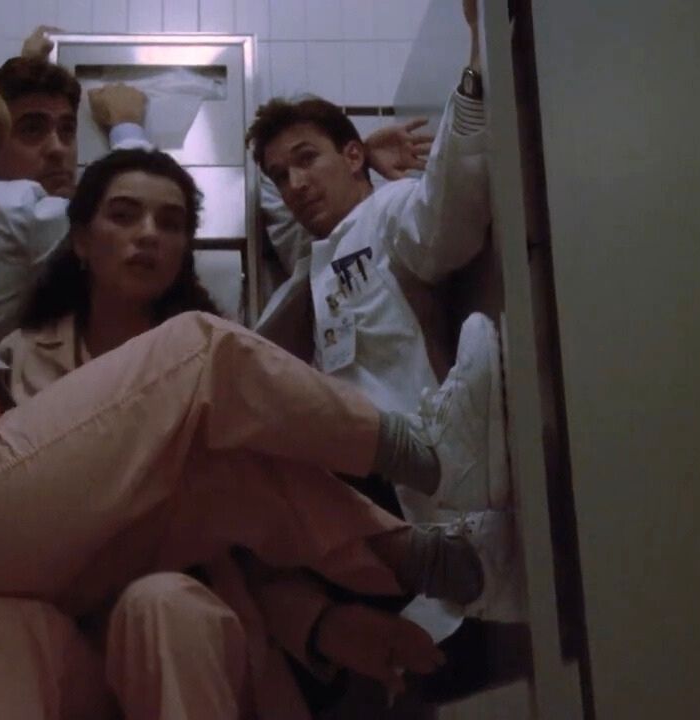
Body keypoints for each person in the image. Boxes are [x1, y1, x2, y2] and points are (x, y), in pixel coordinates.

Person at [0, 61, 507, 719]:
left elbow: (253, 526)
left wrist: (321, 623)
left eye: (170, 223)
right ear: (76, 240)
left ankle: (444, 560)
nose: (147, 236)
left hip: (142, 598)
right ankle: (429, 455)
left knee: (162, 590)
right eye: (123, 216)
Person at [246, 0, 524, 647]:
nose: (294, 184)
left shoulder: (389, 212)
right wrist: (356, 151)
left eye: (307, 160)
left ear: (350, 158)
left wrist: (477, 65)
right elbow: (277, 205)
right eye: (281, 175)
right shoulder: (313, 265)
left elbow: (449, 213)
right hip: (383, 524)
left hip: (436, 500)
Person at [0, 33, 155, 347]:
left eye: (67, 129)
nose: (58, 149)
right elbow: (143, 202)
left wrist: (27, 67)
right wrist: (126, 126)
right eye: (32, 129)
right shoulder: (22, 208)